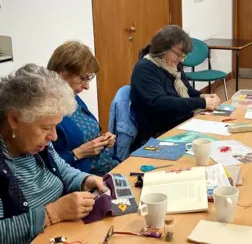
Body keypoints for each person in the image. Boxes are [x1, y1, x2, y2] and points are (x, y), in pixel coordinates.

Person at [0, 64, 107, 244]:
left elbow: (62, 169)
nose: (54, 136)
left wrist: (85, 180)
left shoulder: (36, 144)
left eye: (55, 126)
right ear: (14, 119)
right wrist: (52, 213)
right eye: (45, 128)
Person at [130, 25, 221, 149]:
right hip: (158, 133)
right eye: (179, 54)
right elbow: (160, 102)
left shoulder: (172, 64)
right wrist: (201, 102)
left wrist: (201, 95)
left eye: (183, 55)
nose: (181, 59)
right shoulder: (144, 69)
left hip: (180, 123)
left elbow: (187, 89)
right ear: (163, 48)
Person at [47, 41, 119, 176]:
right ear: (63, 73)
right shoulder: (46, 109)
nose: (86, 86)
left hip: (108, 167)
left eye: (89, 79)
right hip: (85, 179)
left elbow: (87, 134)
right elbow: (45, 167)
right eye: (83, 78)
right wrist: (78, 153)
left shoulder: (73, 97)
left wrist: (103, 139)